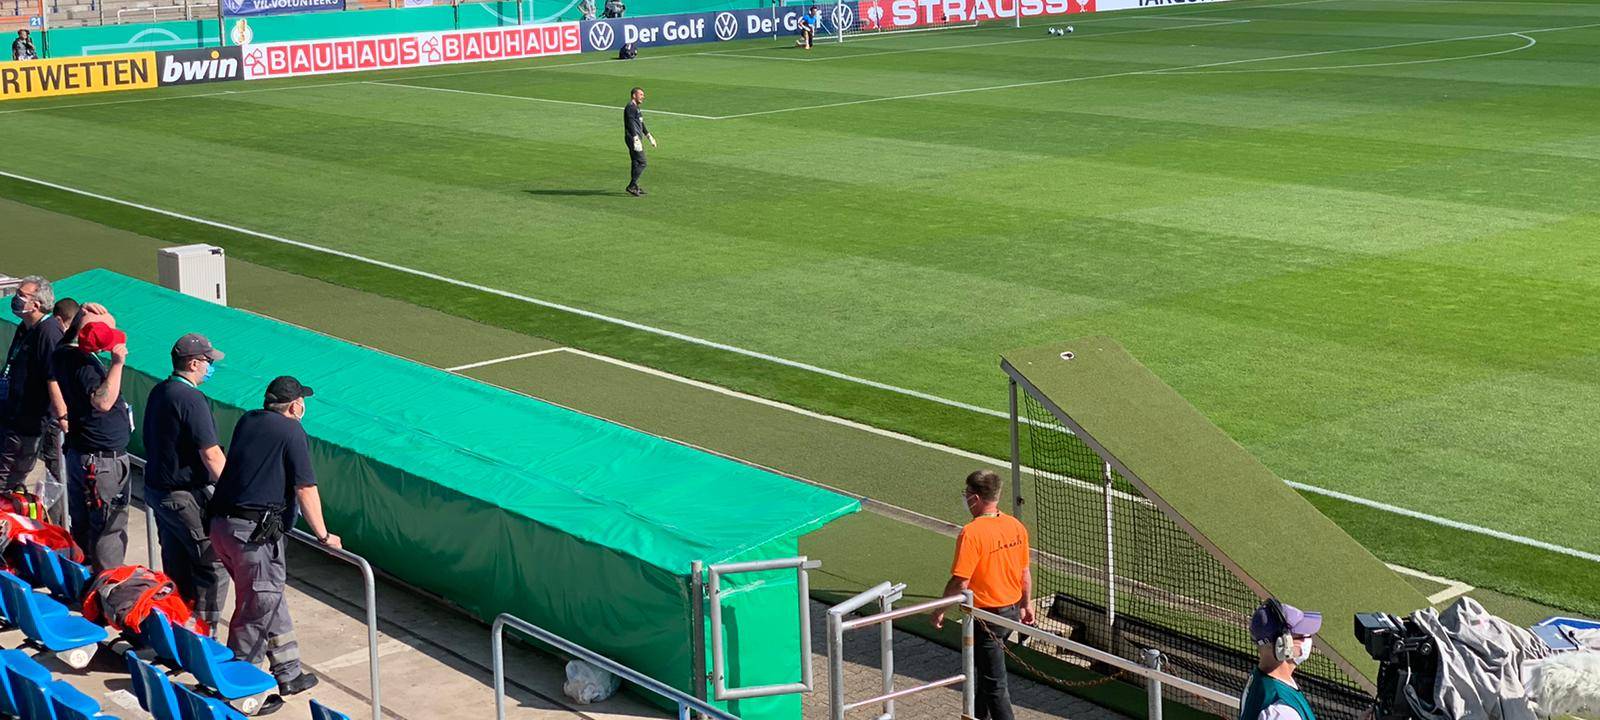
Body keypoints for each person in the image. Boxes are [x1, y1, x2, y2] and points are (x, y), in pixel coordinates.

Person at [208, 376, 339, 696]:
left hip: (223, 528)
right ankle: (240, 689)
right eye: (301, 402)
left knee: (269, 597)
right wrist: (324, 536)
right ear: (294, 406)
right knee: (256, 608)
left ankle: (288, 671)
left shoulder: (249, 420)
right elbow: (305, 487)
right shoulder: (292, 431)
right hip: (253, 536)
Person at [930, 469, 1032, 720]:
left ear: (975, 498)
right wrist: (1025, 604)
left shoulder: (972, 532)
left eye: (966, 493)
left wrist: (940, 609)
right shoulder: (1015, 526)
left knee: (995, 684)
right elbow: (1024, 572)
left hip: (987, 617)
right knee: (986, 676)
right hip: (1010, 613)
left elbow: (960, 581)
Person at [143, 333, 229, 632]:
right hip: (182, 496)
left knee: (177, 562)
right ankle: (203, 635)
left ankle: (175, 627)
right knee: (213, 562)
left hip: (159, 492)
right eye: (207, 361)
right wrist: (234, 492)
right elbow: (211, 454)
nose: (210, 367)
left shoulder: (161, 390)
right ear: (193, 363)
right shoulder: (191, 399)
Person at [49, 316, 132, 574]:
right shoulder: (84, 365)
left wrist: (81, 317)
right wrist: (117, 364)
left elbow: (63, 343)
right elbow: (103, 402)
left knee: (84, 525)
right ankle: (107, 586)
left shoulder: (63, 354)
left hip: (84, 454)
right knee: (108, 528)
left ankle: (83, 579)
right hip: (102, 461)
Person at [0, 277, 67, 502]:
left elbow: (53, 379)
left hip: (27, 423)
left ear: (36, 304)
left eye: (21, 295)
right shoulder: (25, 327)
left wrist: (61, 416)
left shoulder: (49, 332)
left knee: (5, 480)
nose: (16, 299)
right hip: (10, 415)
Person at [1240, 600, 1322, 720]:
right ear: (1284, 644)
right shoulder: (1281, 711)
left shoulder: (1260, 679)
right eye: (1303, 635)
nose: (1308, 639)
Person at [623, 86, 656, 197]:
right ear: (634, 95)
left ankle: (634, 185)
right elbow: (630, 123)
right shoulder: (630, 107)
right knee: (643, 162)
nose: (643, 97)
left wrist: (649, 136)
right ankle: (631, 185)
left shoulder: (636, 108)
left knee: (636, 162)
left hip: (635, 138)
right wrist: (635, 138)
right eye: (641, 94)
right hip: (632, 138)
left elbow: (641, 123)